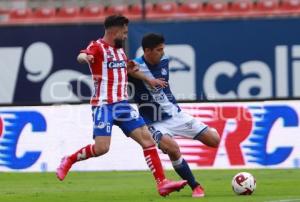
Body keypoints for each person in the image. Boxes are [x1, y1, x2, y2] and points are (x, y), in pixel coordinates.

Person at [56, 15, 187, 197]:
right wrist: (85, 58)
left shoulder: (120, 52)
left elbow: (128, 69)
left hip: (122, 106)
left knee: (147, 140)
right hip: (103, 106)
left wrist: (148, 78)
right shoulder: (97, 47)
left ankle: (162, 183)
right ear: (114, 31)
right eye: (124, 33)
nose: (125, 36)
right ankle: (69, 160)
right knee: (102, 148)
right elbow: (83, 55)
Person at [128, 33, 220, 198]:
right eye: (159, 50)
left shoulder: (164, 61)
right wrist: (146, 78)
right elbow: (127, 69)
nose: (163, 52)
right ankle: (195, 186)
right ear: (147, 51)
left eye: (163, 49)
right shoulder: (135, 66)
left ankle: (206, 130)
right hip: (152, 122)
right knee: (172, 148)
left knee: (214, 141)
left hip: (175, 115)